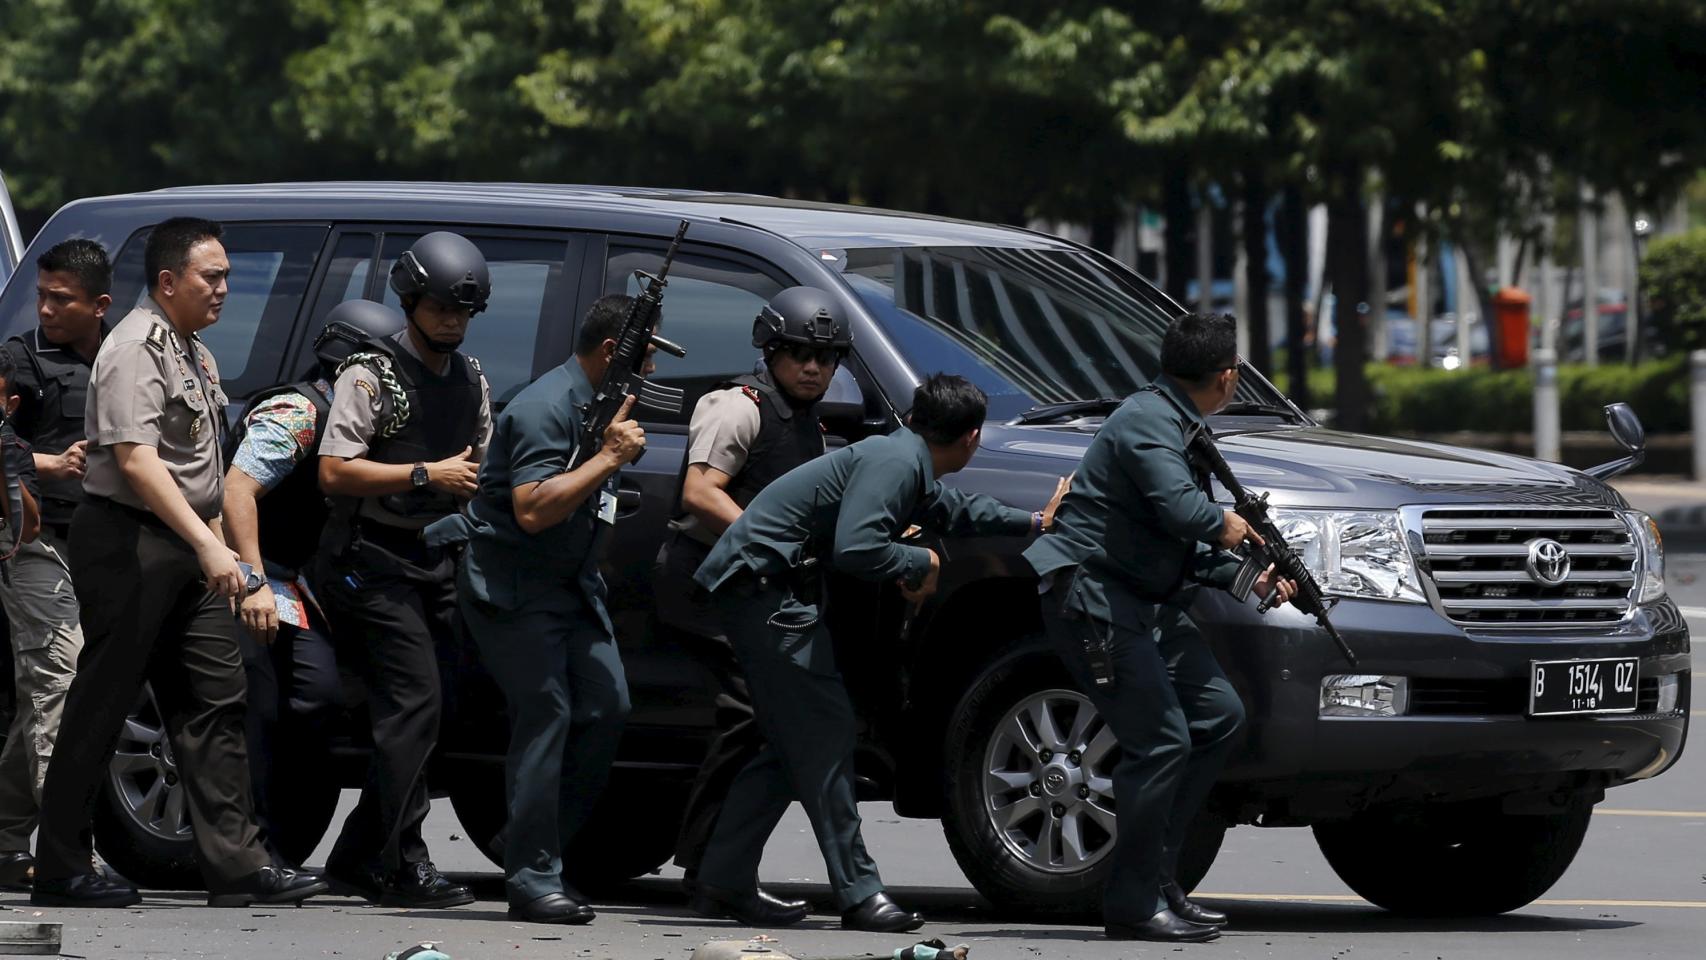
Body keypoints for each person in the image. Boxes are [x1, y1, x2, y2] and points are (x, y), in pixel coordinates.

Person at [690, 374, 1068, 932]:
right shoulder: (896, 463)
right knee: (826, 732)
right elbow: (858, 548)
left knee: (789, 743)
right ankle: (859, 892)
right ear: (970, 437)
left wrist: (1036, 522)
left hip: (768, 591)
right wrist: (922, 565)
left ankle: (723, 880)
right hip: (764, 594)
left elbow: (954, 510)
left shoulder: (904, 456)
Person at [32, 217, 326, 908]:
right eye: (212, 276)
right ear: (168, 282)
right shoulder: (134, 347)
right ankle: (61, 867)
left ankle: (238, 865)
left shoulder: (194, 351)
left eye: (226, 275)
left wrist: (232, 560)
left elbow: (202, 470)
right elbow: (136, 461)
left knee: (214, 699)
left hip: (188, 542)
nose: (225, 288)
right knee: (103, 703)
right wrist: (205, 544)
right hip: (131, 540)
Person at [1023, 312, 1296, 943]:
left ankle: (1160, 877)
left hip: (1143, 599)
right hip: (1094, 599)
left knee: (1218, 716)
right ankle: (1132, 900)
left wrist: (1249, 577)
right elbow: (1181, 509)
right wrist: (1228, 524)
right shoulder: (1148, 420)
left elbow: (1171, 538)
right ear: (1227, 377)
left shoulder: (1179, 421)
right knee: (1161, 741)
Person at [439, 294, 649, 924]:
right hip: (512, 586)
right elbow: (531, 509)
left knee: (608, 704)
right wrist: (609, 458)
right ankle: (531, 880)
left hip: (569, 585)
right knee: (547, 712)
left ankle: (529, 843)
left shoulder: (600, 403)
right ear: (612, 353)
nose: (652, 372)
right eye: (646, 355)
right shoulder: (543, 407)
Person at [312, 232, 492, 909]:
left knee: (441, 709)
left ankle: (363, 854)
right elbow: (334, 471)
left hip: (433, 558)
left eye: (464, 312)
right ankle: (400, 861)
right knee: (413, 708)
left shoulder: (471, 378)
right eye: (443, 307)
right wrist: (425, 472)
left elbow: (479, 461)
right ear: (411, 300)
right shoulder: (369, 373)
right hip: (370, 562)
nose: (452, 321)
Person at [657, 286, 850, 899]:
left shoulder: (807, 422)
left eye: (826, 356)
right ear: (770, 350)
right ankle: (709, 863)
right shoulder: (736, 407)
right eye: (798, 352)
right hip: (705, 581)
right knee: (754, 710)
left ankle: (717, 864)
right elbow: (701, 493)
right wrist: (773, 542)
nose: (813, 367)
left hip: (756, 586)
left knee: (765, 714)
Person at [221, 299, 407, 859]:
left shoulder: (360, 421)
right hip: (253, 578)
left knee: (316, 700)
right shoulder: (299, 414)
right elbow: (237, 491)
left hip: (298, 583)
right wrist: (252, 581)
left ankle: (282, 846)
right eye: (379, 368)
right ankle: (248, 853)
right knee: (262, 710)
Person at [0, 239, 108, 890]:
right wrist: (48, 464)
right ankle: (71, 857)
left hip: (106, 542)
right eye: (40, 295)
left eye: (59, 299)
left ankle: (4, 834)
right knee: (58, 681)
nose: (44, 309)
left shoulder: (128, 357)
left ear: (100, 304)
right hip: (31, 538)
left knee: (59, 695)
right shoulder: (18, 360)